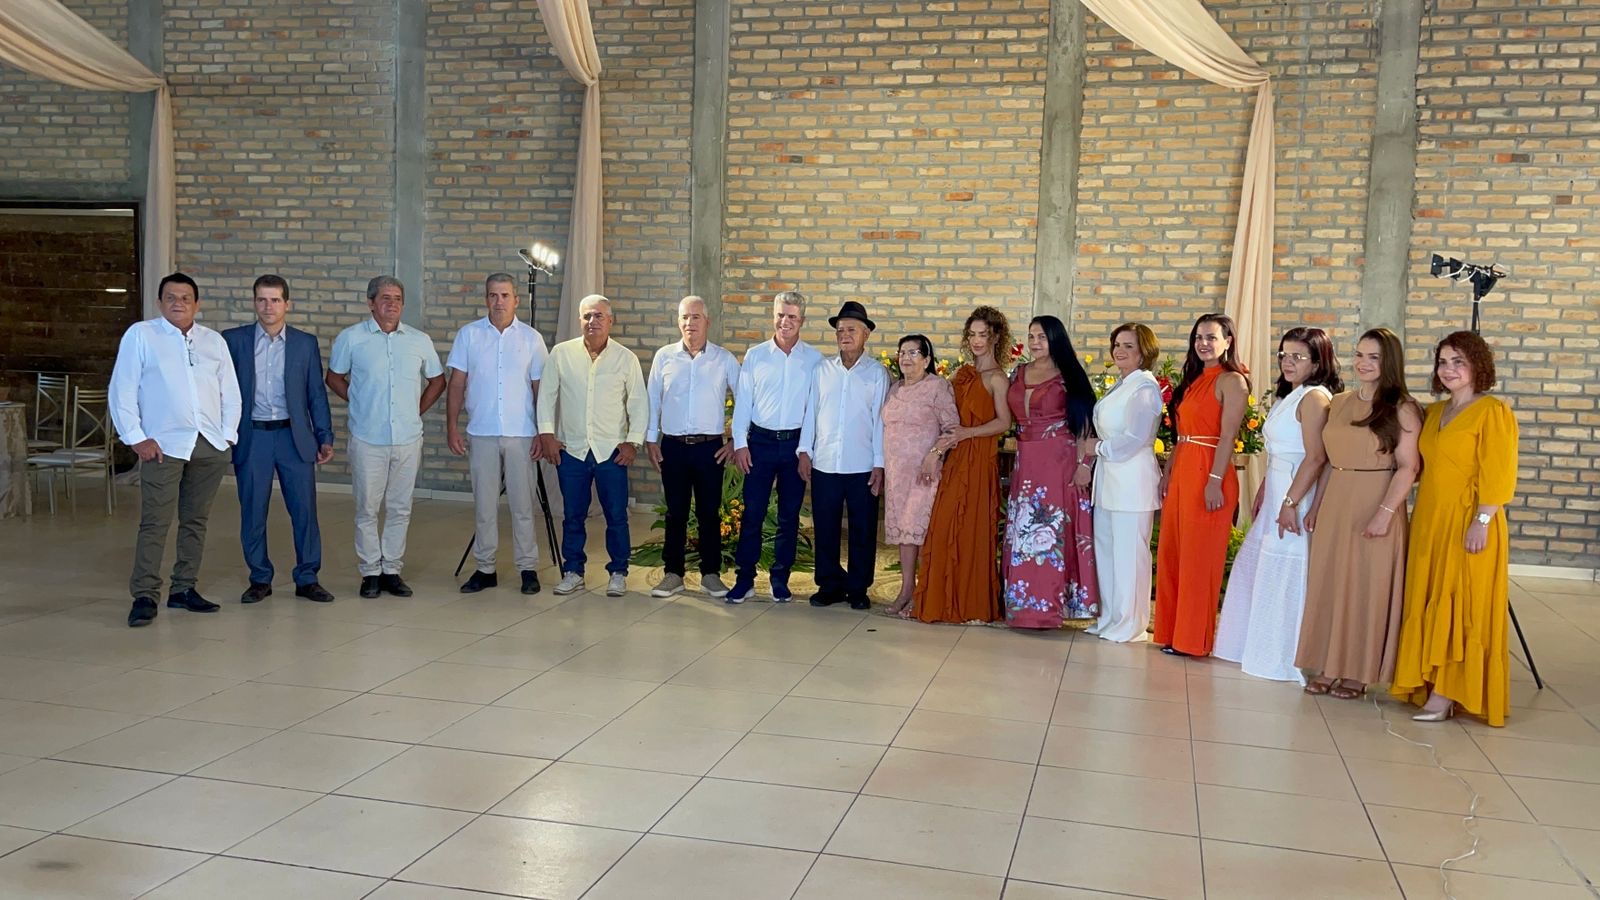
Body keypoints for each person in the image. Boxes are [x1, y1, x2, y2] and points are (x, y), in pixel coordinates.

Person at [1391, 331, 1519, 725]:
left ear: (1478, 365)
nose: (1448, 370)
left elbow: (1499, 473)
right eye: (1443, 362)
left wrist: (1482, 520)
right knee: (1430, 595)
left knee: (1462, 601)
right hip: (1431, 518)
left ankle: (1448, 691)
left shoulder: (1492, 411)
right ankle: (1429, 680)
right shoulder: (1434, 412)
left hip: (1470, 520)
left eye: (1458, 361)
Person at [109, 272, 242, 627]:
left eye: (185, 298)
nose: (178, 303)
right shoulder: (142, 335)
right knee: (155, 521)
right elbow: (122, 389)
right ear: (159, 302)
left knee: (195, 520)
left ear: (196, 304)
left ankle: (184, 589)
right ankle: (145, 594)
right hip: (163, 446)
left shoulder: (213, 341)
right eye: (170, 297)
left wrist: (227, 434)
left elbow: (230, 390)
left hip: (209, 444)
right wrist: (135, 436)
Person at [1298, 327, 1421, 700]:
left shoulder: (1403, 408)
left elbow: (1408, 467)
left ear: (1389, 362)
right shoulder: (1339, 402)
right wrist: (1315, 507)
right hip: (1336, 499)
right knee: (1330, 585)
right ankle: (1326, 664)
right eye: (1359, 355)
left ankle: (1357, 673)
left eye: (1374, 357)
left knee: (1366, 589)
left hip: (1377, 500)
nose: (1363, 363)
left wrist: (1385, 513)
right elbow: (1327, 462)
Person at [1213, 327, 1340, 681]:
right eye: (1284, 354)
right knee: (1256, 565)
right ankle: (1253, 645)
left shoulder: (1315, 398)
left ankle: (1282, 654)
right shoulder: (1291, 395)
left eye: (1298, 356)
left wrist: (1289, 502)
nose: (1288, 362)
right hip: (1279, 489)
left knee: (1286, 568)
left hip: (1296, 494)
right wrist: (1266, 488)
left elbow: (1316, 458)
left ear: (1317, 361)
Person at [326, 276, 446, 599]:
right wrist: (358, 401)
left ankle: (392, 568)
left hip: (408, 437)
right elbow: (333, 376)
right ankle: (370, 572)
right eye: (384, 298)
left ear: (403, 304)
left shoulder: (419, 340)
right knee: (367, 507)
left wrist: (415, 410)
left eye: (397, 298)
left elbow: (437, 381)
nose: (391, 304)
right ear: (370, 303)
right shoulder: (351, 339)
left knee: (400, 507)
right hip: (368, 437)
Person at [222, 274, 336, 606]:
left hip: (293, 437)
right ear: (253, 302)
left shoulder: (304, 343)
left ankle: (308, 576)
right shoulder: (234, 341)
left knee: (304, 510)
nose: (268, 306)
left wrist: (324, 436)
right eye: (261, 299)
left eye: (274, 300)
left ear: (287, 304)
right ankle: (259, 578)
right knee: (253, 510)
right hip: (252, 436)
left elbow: (316, 393)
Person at [445, 273, 549, 596]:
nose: (499, 301)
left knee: (522, 504)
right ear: (486, 298)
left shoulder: (532, 339)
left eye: (505, 295)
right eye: (493, 295)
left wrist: (543, 433)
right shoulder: (469, 336)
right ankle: (485, 568)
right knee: (484, 504)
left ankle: (527, 567)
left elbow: (540, 389)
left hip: (521, 434)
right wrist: (451, 426)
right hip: (482, 432)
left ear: (516, 300)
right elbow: (457, 384)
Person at [1153, 313, 1250, 657]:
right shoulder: (1192, 379)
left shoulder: (1232, 381)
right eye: (1198, 338)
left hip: (1210, 471)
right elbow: (1180, 434)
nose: (1204, 343)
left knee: (1199, 559)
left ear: (1228, 342)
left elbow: (1228, 435)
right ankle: (1169, 632)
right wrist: (1167, 474)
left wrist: (1214, 481)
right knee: (1173, 553)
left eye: (1211, 337)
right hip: (1182, 469)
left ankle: (1193, 641)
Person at [538, 294, 647, 598]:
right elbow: (547, 396)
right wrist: (547, 434)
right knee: (573, 515)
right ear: (579, 320)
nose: (592, 321)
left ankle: (618, 572)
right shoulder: (561, 354)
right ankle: (573, 571)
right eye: (587, 316)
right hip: (571, 450)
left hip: (611, 453)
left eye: (599, 316)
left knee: (616, 515)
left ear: (610, 321)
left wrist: (633, 442)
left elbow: (638, 403)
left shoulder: (625, 358)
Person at [916, 307, 1013, 624]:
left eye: (983, 334)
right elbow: (946, 418)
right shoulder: (961, 375)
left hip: (980, 460)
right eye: (972, 334)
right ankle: (941, 602)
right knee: (943, 526)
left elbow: (1003, 422)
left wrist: (969, 432)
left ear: (996, 337)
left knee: (972, 530)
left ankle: (971, 605)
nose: (977, 341)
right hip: (956, 459)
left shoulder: (998, 378)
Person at [1002, 315, 1099, 630]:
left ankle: (1050, 609)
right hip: (1026, 461)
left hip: (1059, 462)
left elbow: (1085, 426)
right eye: (1031, 336)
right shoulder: (1018, 372)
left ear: (1056, 339)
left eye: (1041, 336)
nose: (1034, 342)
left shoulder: (1069, 375)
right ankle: (1023, 608)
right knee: (1024, 534)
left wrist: (1085, 466)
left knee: (1052, 536)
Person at [726, 291, 824, 603]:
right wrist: (740, 443)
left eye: (792, 316)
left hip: (795, 444)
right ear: (773, 316)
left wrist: (805, 450)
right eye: (781, 314)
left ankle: (780, 578)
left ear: (802, 321)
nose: (785, 321)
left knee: (789, 515)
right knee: (752, 512)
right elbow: (743, 404)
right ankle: (744, 579)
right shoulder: (755, 356)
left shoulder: (814, 361)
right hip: (760, 444)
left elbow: (813, 411)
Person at [646, 296, 741, 599]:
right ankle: (673, 574)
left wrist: (736, 440)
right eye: (685, 318)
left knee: (709, 513)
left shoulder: (724, 359)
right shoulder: (664, 357)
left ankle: (710, 575)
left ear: (707, 322)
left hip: (709, 448)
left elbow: (745, 399)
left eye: (696, 317)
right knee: (675, 513)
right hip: (672, 447)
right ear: (679, 322)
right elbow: (652, 399)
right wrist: (650, 438)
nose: (690, 324)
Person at [799, 301, 890, 612]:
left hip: (863, 464)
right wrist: (804, 451)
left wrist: (879, 463)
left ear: (866, 334)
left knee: (863, 530)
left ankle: (858, 588)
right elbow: (810, 412)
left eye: (851, 329)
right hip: (825, 462)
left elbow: (881, 420)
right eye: (840, 330)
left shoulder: (877, 374)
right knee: (825, 526)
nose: (844, 335)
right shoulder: (821, 370)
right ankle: (829, 585)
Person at [1080, 323, 1162, 643]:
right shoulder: (1122, 384)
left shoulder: (1145, 388)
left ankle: (1131, 623)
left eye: (1128, 346)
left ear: (1144, 351)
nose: (1120, 350)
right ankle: (1111, 616)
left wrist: (1097, 448)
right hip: (1109, 481)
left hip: (1132, 482)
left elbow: (1136, 438)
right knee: (1108, 551)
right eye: (1117, 344)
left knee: (1130, 555)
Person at [881, 334, 959, 617]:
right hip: (896, 476)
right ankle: (906, 590)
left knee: (922, 531)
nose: (906, 357)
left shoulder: (937, 387)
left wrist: (934, 455)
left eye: (913, 353)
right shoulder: (894, 389)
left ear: (927, 360)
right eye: (902, 352)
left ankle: (925, 592)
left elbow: (952, 428)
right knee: (905, 534)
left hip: (924, 474)